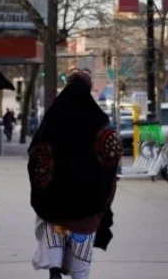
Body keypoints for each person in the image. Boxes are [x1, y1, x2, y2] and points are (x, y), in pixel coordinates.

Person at [27, 68, 121, 279]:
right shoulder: (99, 121)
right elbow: (112, 156)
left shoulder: (53, 118)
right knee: (81, 270)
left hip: (55, 208)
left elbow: (36, 153)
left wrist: (45, 186)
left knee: (53, 235)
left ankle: (54, 269)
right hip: (87, 210)